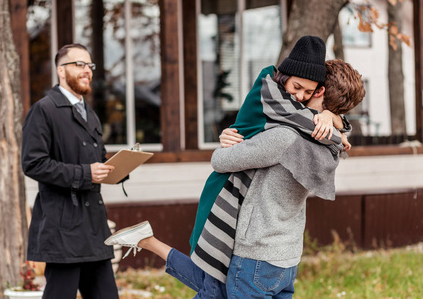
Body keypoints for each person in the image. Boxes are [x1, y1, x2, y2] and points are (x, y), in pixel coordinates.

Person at [106, 37, 364, 298]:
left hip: (256, 251)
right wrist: (336, 122)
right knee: (212, 286)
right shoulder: (327, 140)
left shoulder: (288, 135)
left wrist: (227, 146)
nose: (297, 97)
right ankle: (147, 241)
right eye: (297, 87)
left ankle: (147, 241)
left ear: (319, 92)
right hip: (284, 253)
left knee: (211, 287)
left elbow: (220, 160)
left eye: (308, 92)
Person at [21, 44, 119, 299]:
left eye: (90, 65)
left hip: (94, 229)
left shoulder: (90, 114)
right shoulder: (44, 110)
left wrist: (119, 168)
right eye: (79, 64)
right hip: (62, 229)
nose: (87, 70)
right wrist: (85, 174)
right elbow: (33, 163)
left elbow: (96, 161)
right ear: (61, 71)